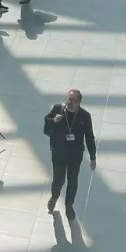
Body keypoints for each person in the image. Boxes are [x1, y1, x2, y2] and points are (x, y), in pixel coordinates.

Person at [43, 89, 98, 220]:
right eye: (69, 99)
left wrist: (92, 157)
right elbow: (46, 120)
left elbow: (89, 137)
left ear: (79, 102)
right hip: (59, 152)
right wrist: (54, 121)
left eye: (73, 100)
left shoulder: (85, 116)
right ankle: (54, 196)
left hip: (75, 155)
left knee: (72, 181)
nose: (69, 102)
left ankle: (69, 205)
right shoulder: (58, 109)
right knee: (58, 179)